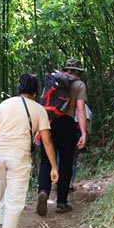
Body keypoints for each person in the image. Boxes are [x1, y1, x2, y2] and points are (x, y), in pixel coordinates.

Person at [0, 73, 59, 228]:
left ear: (18, 89)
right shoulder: (39, 109)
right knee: (15, 200)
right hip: (18, 156)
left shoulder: (4, 105)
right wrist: (54, 166)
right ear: (36, 93)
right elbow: (46, 141)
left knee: (3, 197)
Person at [36, 58, 88, 216]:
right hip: (67, 124)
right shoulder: (79, 85)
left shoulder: (53, 81)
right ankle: (61, 203)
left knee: (46, 161)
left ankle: (43, 191)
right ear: (78, 72)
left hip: (49, 123)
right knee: (65, 162)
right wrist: (84, 133)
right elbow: (80, 110)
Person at [70, 103, 92, 191]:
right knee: (73, 159)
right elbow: (88, 118)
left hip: (66, 131)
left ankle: (59, 181)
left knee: (61, 155)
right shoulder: (83, 105)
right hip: (78, 133)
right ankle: (70, 182)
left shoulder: (65, 101)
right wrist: (85, 133)